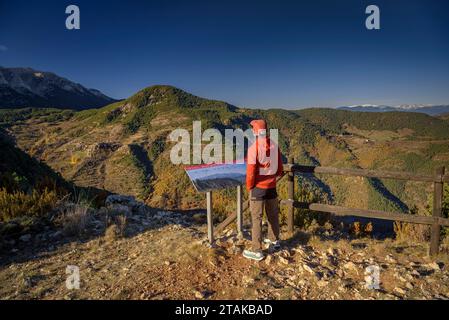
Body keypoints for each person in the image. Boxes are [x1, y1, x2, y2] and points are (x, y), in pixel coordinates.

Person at [243, 119, 283, 261]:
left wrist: (249, 186)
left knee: (256, 218)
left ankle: (257, 250)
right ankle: (275, 242)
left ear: (255, 131)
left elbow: (251, 172)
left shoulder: (254, 148)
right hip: (271, 186)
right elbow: (279, 169)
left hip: (258, 188)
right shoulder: (274, 145)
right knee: (273, 215)